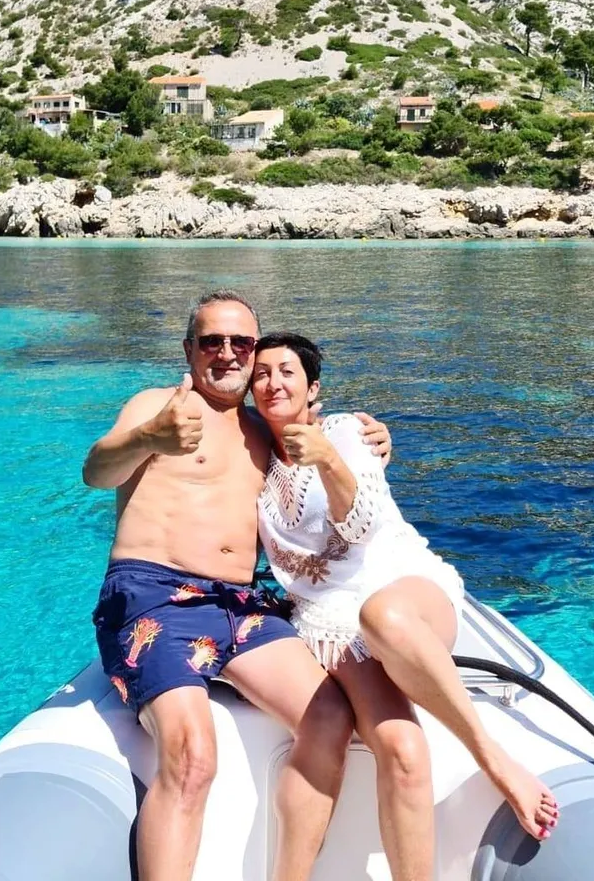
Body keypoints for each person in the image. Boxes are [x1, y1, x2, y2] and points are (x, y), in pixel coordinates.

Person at [82, 291, 391, 881]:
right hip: (155, 596)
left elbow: (328, 456)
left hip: (240, 604)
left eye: (241, 342)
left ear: (253, 352)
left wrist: (374, 439)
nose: (226, 353)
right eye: (211, 341)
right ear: (189, 350)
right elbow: (96, 471)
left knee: (329, 717)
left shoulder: (262, 432)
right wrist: (149, 438)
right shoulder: (158, 406)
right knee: (194, 756)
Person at [250, 332, 560, 881]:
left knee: (384, 616)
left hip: (404, 588)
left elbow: (361, 525)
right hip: (329, 621)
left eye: (287, 372)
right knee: (404, 748)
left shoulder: (345, 433)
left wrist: (327, 459)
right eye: (262, 374)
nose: (273, 382)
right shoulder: (252, 456)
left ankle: (493, 758)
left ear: (313, 388)